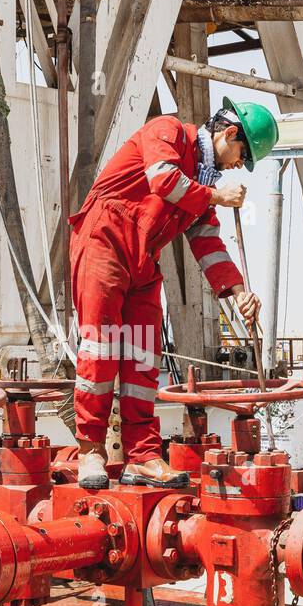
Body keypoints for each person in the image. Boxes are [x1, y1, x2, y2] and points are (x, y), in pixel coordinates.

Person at [68, 97, 279, 489]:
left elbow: (209, 244)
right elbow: (163, 179)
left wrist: (238, 293)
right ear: (230, 134)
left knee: (143, 357)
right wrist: (218, 196)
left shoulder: (201, 186)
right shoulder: (167, 132)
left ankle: (142, 456)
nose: (238, 167)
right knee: (102, 348)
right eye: (241, 156)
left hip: (143, 260)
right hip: (104, 242)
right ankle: (90, 450)